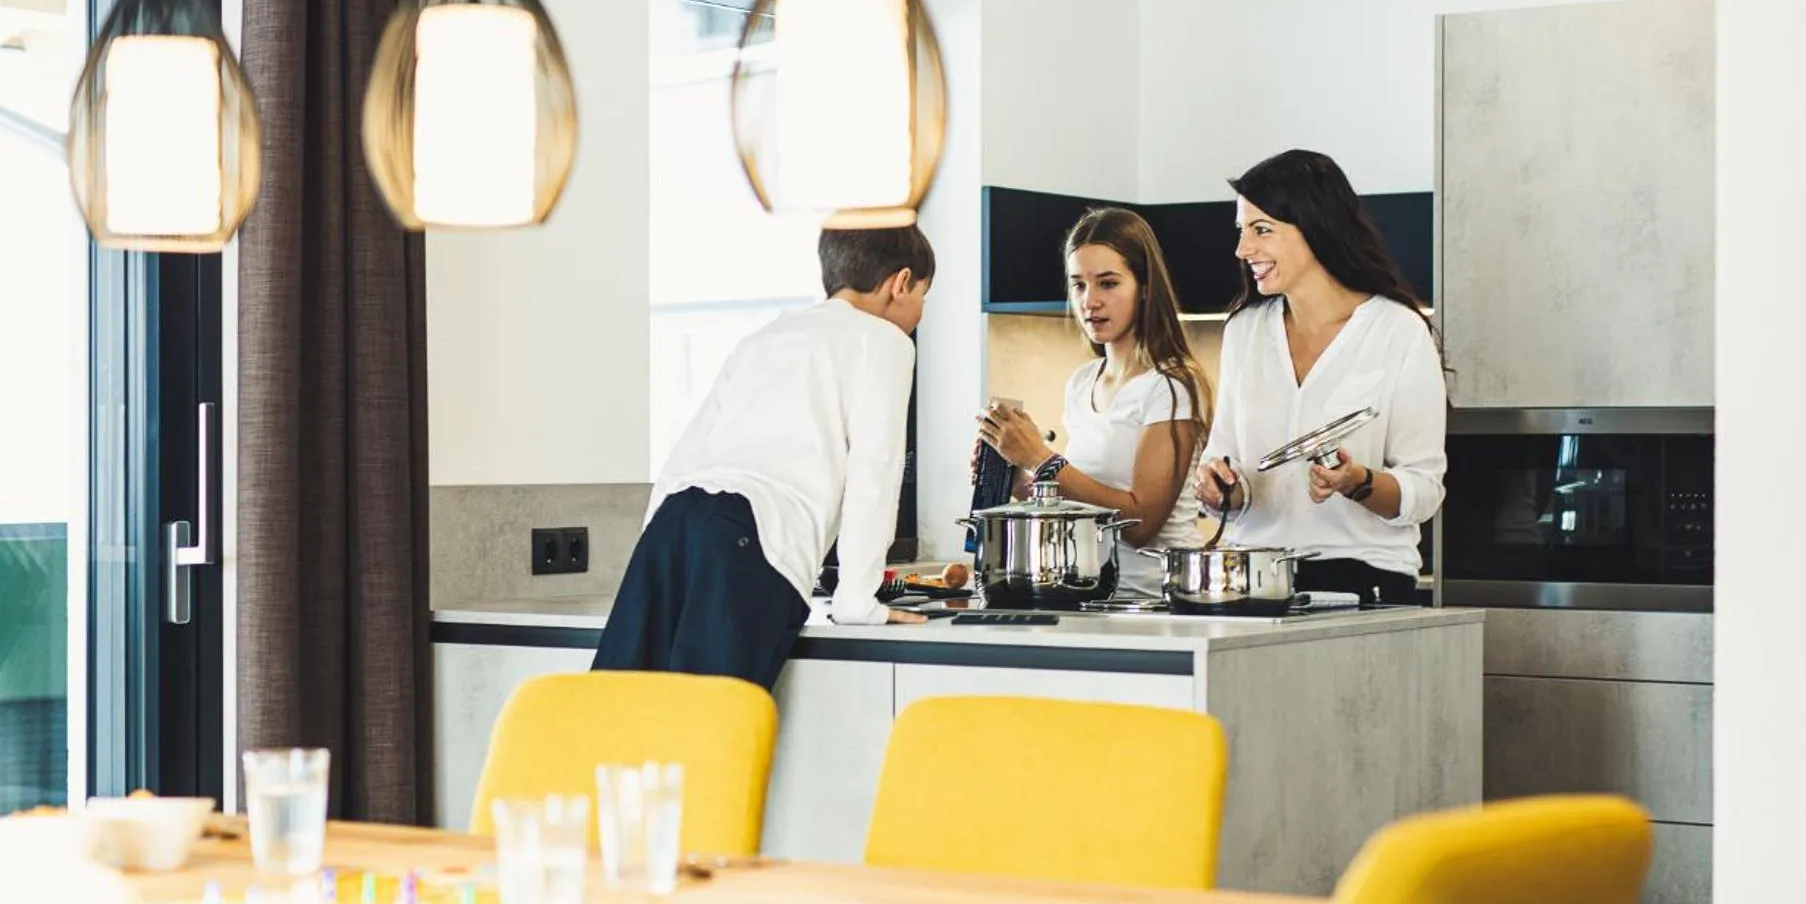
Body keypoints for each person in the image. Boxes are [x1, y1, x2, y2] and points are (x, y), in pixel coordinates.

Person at [592, 225, 934, 691]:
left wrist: (656, 550)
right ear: (901, 282)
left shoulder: (768, 335)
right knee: (710, 723)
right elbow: (874, 473)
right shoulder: (883, 341)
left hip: (671, 524)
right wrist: (856, 600)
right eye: (923, 295)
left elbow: (690, 449)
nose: (920, 312)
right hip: (753, 538)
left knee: (619, 715)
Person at [1194, 149, 1447, 605]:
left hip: (1364, 580)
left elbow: (1424, 491)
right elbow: (1228, 463)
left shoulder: (1398, 331)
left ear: (1316, 226)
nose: (1242, 250)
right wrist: (1219, 488)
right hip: (1254, 580)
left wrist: (1357, 481)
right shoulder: (1244, 331)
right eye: (1241, 231)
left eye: (1261, 230)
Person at [976, 207, 1211, 589]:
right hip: (1092, 594)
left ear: (1145, 287)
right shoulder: (1082, 382)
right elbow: (1080, 506)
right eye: (1079, 285)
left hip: (1156, 598)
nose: (1090, 301)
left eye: (1108, 283)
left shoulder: (1171, 386)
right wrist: (1021, 479)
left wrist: (1041, 458)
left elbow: (1140, 525)